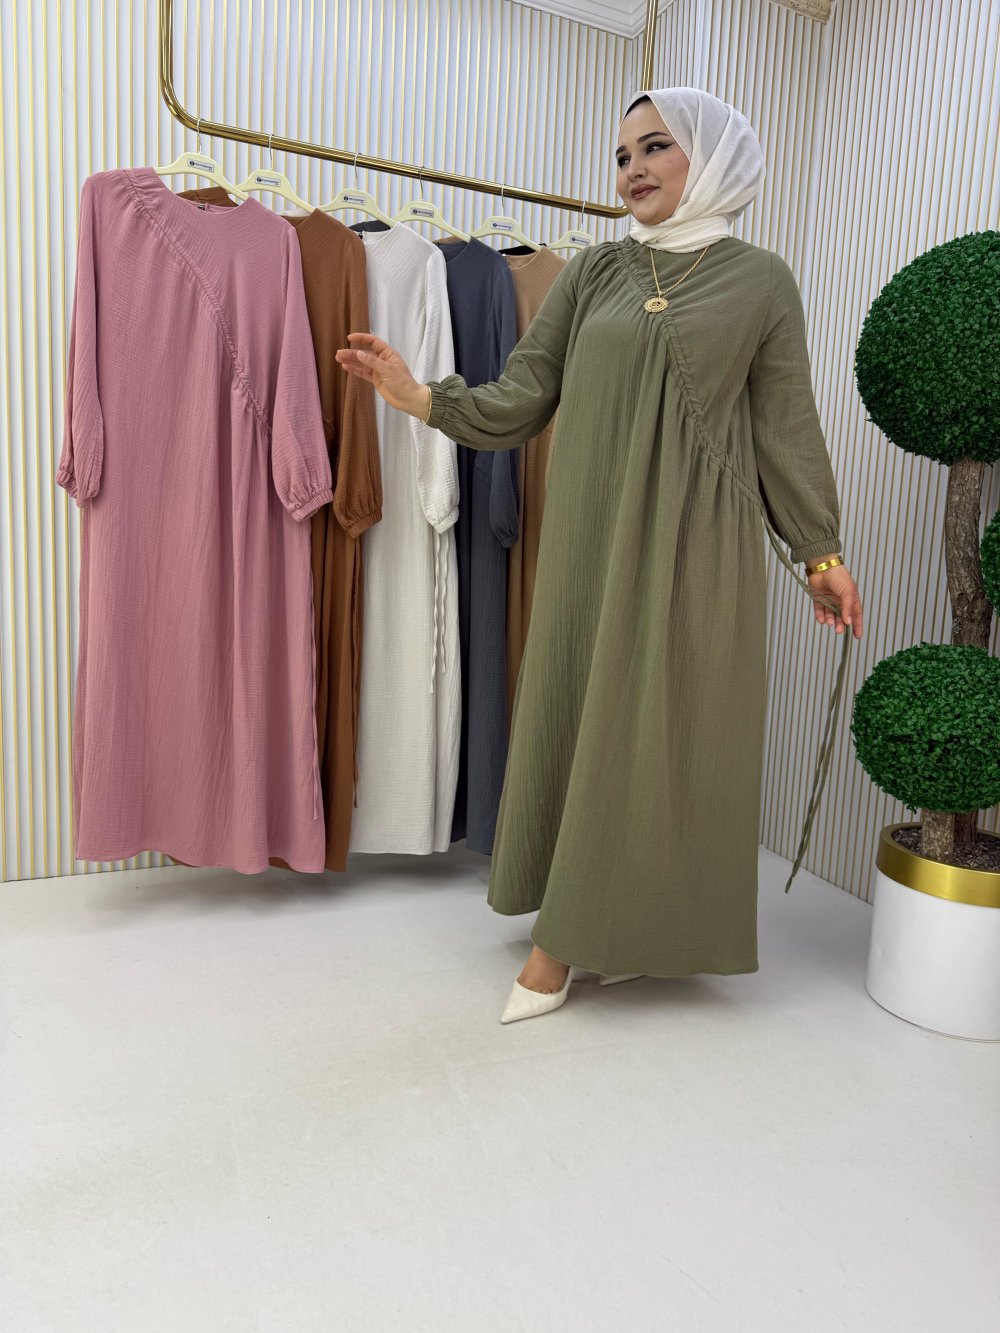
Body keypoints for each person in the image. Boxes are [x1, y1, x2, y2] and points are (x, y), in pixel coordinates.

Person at [336, 87, 864, 1025]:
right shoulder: (596, 273)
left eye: (654, 147)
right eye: (622, 155)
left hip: (699, 544)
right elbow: (524, 394)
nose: (632, 170)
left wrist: (821, 554)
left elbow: (786, 426)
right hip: (592, 532)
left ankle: (583, 939)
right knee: (591, 715)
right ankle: (582, 922)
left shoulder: (761, 281)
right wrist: (421, 398)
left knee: (664, 732)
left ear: (712, 157)